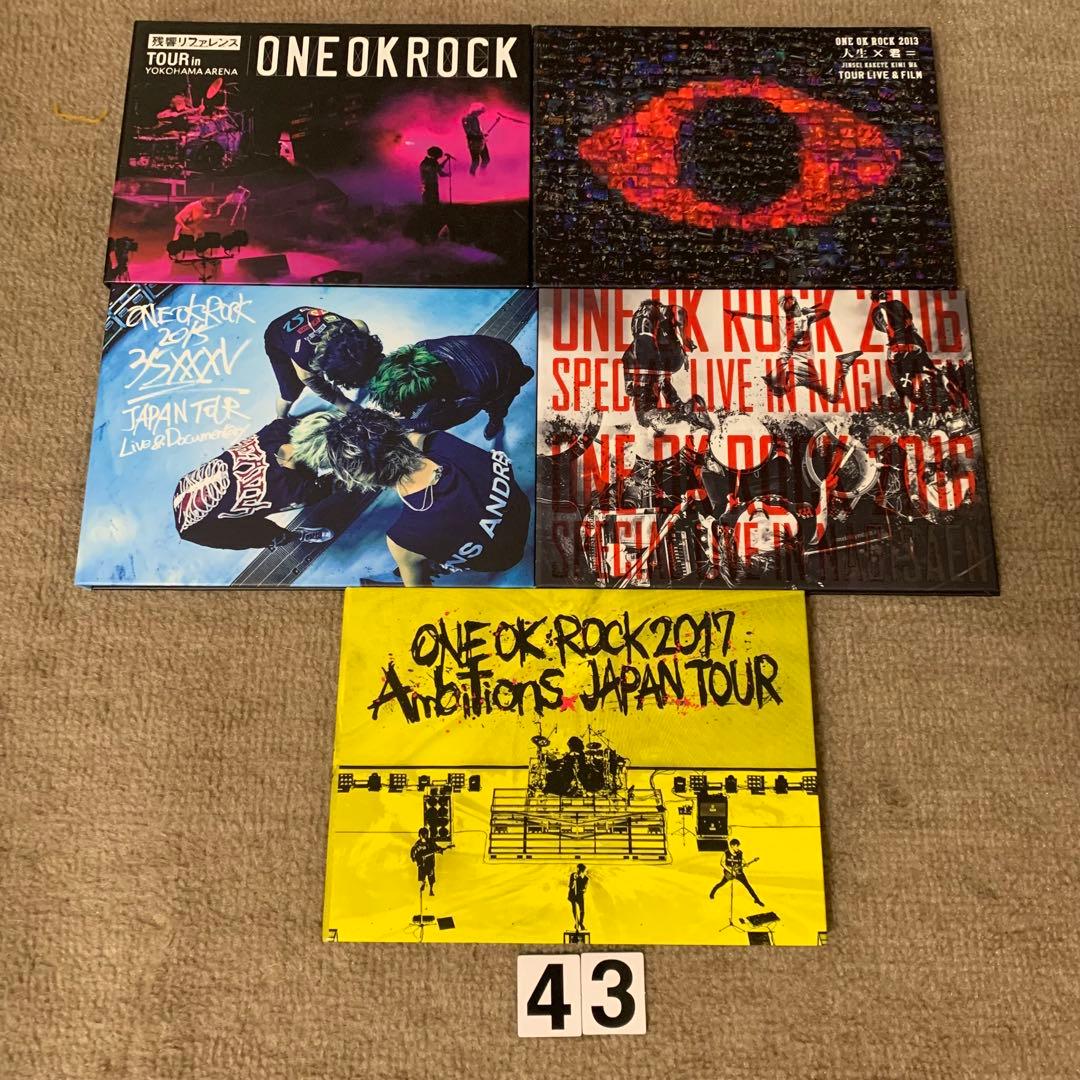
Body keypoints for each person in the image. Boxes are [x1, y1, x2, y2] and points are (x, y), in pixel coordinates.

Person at [290, 407, 530, 585]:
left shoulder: (403, 540)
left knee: (414, 563)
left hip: (501, 559)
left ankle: (429, 564)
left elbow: (419, 594)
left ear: (360, 479)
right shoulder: (440, 440)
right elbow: (413, 437)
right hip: (520, 510)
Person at [172, 418, 334, 550]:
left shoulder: (278, 429)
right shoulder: (295, 493)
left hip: (191, 487)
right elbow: (323, 489)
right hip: (199, 528)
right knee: (263, 535)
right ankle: (296, 536)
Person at [365, 334, 534, 440]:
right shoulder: (421, 348)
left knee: (498, 405)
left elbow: (437, 423)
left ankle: (496, 418)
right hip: (492, 345)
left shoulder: (471, 395)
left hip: (505, 373)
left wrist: (402, 423)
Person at [263, 307, 384, 419]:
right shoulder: (305, 362)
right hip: (277, 334)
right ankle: (280, 419)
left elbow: (361, 330)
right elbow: (311, 381)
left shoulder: (356, 328)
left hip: (303, 319)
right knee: (290, 393)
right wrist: (344, 404)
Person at [869, 288, 966, 416]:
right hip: (914, 342)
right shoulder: (897, 304)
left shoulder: (876, 313)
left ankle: (912, 397)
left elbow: (886, 328)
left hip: (899, 346)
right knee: (930, 370)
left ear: (875, 299)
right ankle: (955, 393)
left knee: (898, 373)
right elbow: (908, 321)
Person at [758, 295, 861, 403]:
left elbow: (825, 312)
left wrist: (810, 311)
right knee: (833, 398)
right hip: (807, 373)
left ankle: (843, 364)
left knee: (833, 398)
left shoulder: (804, 319)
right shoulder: (789, 321)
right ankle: (843, 365)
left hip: (805, 370)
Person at [708, 839, 764, 906]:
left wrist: (745, 863)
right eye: (736, 846)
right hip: (729, 873)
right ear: (732, 846)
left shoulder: (740, 853)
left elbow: (742, 859)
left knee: (748, 886)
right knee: (721, 883)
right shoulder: (726, 853)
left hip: (739, 872)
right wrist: (730, 871)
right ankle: (712, 893)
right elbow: (722, 863)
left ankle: (757, 900)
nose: (738, 847)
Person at [410, 827, 449, 896]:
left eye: (425, 834)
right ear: (419, 835)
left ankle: (431, 889)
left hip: (429, 863)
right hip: (421, 864)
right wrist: (414, 858)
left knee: (431, 876)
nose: (424, 836)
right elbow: (413, 851)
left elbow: (436, 848)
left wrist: (441, 849)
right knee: (422, 875)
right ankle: (423, 882)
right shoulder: (418, 843)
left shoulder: (431, 842)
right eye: (422, 834)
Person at [462, 102, 490, 175]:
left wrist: (483, 133)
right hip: (473, 143)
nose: (480, 114)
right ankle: (472, 176)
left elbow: (478, 130)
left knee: (486, 159)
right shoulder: (466, 118)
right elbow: (469, 132)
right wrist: (479, 135)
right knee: (476, 161)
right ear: (474, 110)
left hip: (481, 141)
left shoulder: (475, 118)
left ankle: (482, 174)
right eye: (479, 112)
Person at [567, 864, 588, 931]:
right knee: (574, 908)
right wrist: (574, 881)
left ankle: (580, 923)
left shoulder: (585, 878)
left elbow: (585, 888)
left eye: (581, 870)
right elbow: (570, 886)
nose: (578, 870)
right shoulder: (573, 875)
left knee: (582, 910)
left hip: (580, 895)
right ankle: (577, 922)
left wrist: (583, 890)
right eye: (578, 869)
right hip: (573, 894)